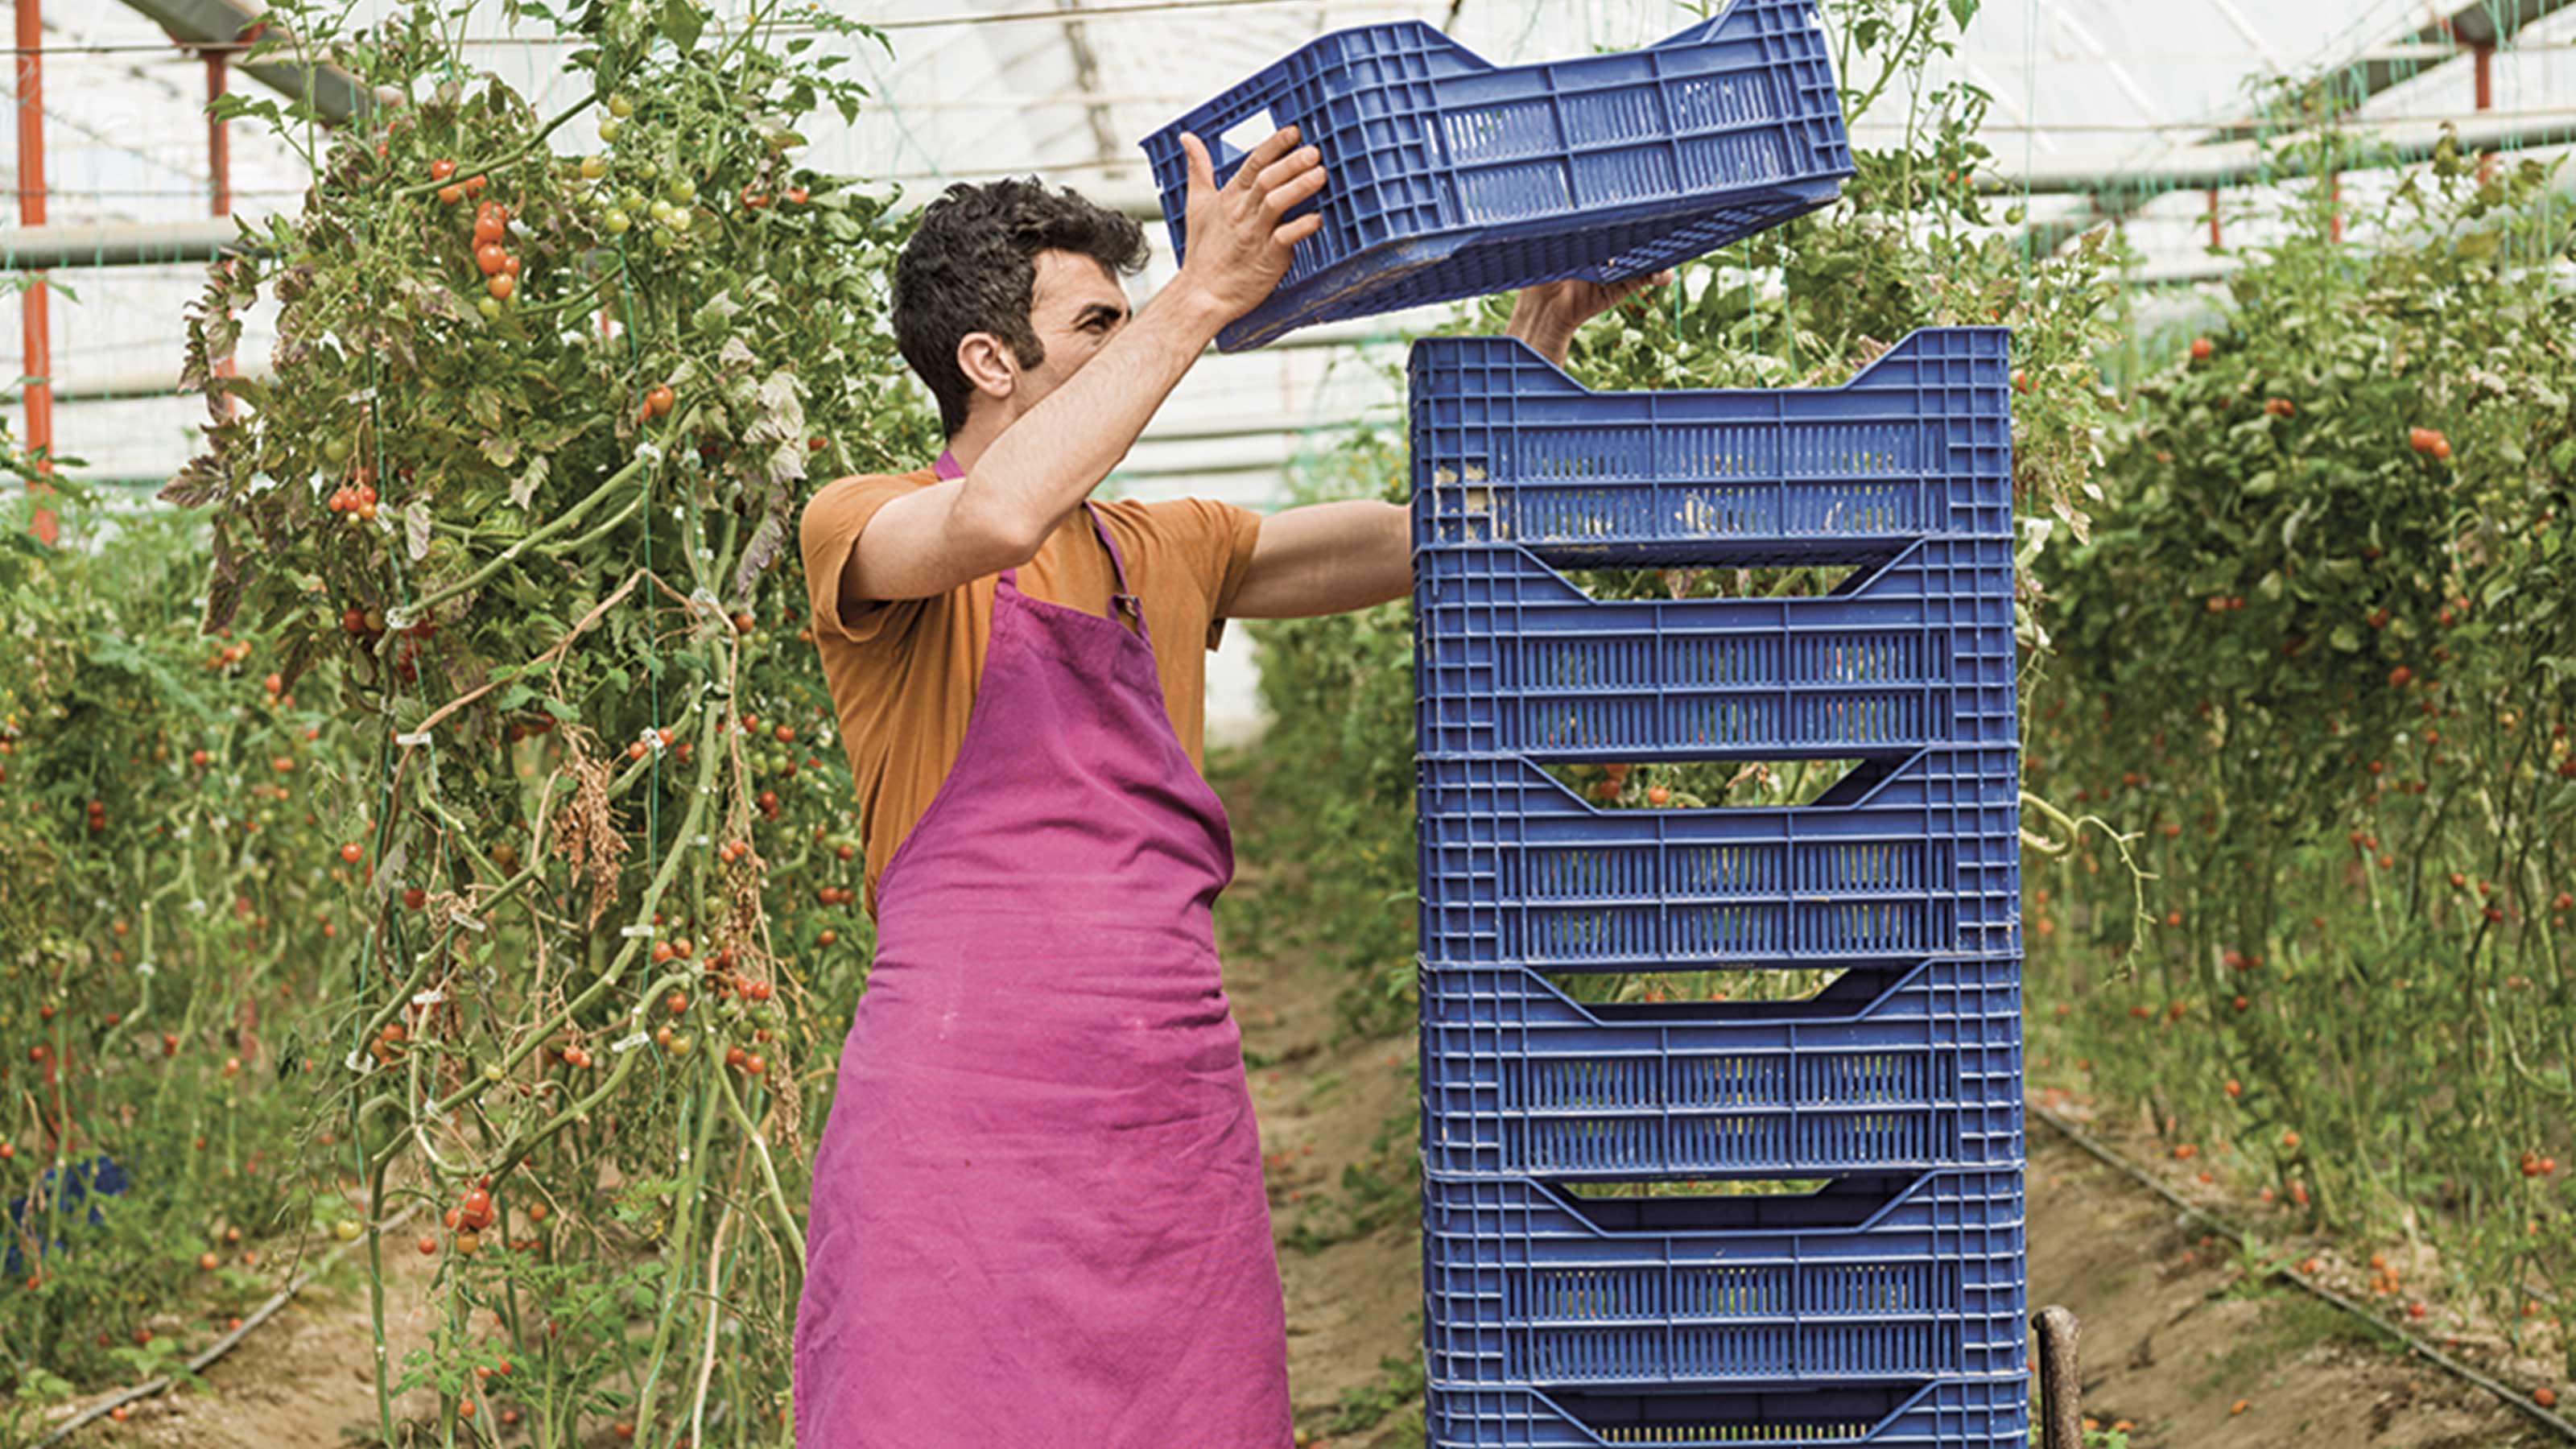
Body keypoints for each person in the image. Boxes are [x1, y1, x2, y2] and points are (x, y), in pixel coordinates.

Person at [790, 126, 1666, 1447]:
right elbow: (992, 524)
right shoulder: (863, 524)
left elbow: (1447, 535)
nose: (1132, 341)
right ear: (988, 359)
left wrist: (1537, 342)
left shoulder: (1167, 548)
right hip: (961, 1100)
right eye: (1097, 321)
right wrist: (1202, 297)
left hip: (1165, 1094)